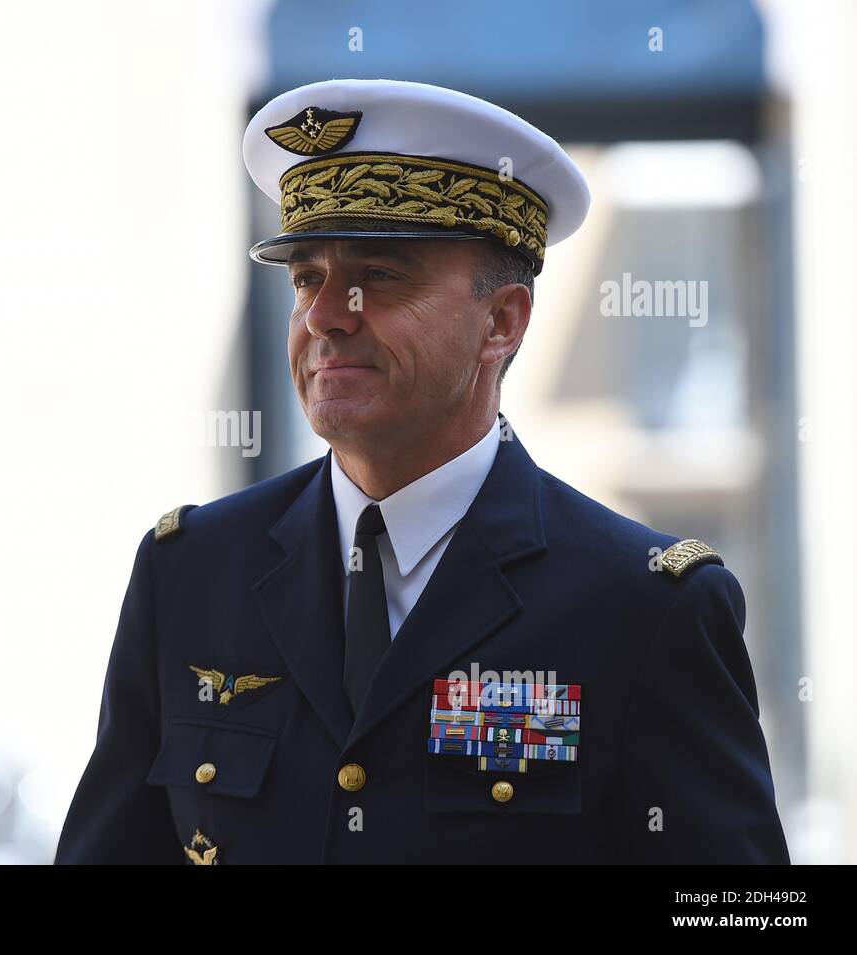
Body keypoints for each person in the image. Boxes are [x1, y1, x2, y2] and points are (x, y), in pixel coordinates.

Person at [55, 79, 789, 864]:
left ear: (500, 322)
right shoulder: (191, 572)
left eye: (379, 274)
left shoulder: (643, 607)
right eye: (306, 277)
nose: (326, 315)